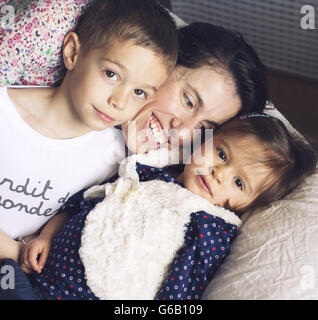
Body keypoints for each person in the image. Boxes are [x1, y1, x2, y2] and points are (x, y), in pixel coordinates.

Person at [2, 114, 315, 300]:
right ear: (205, 140)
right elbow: (84, 203)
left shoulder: (209, 228)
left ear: (246, 206)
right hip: (40, 274)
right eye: (221, 154)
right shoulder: (147, 169)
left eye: (238, 183)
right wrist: (45, 236)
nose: (219, 173)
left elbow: (180, 291)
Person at [0, 0, 178, 261]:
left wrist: (44, 237)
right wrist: (15, 251)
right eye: (111, 74)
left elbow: (77, 212)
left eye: (139, 92)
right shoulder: (5, 110)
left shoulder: (115, 157)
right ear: (73, 53)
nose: (119, 101)